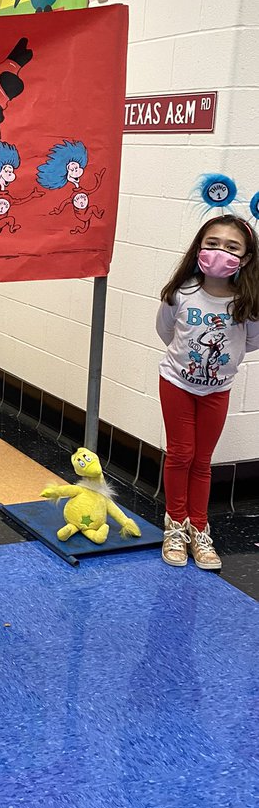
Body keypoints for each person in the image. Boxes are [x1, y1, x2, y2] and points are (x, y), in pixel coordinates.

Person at [156, 214, 259, 568]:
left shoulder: (247, 302)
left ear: (245, 258)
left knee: (202, 461)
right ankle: (175, 525)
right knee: (180, 453)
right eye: (212, 244)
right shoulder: (181, 293)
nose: (220, 252)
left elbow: (252, 342)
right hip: (177, 384)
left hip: (218, 390)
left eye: (232, 247)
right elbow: (167, 333)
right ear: (199, 247)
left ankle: (199, 528)